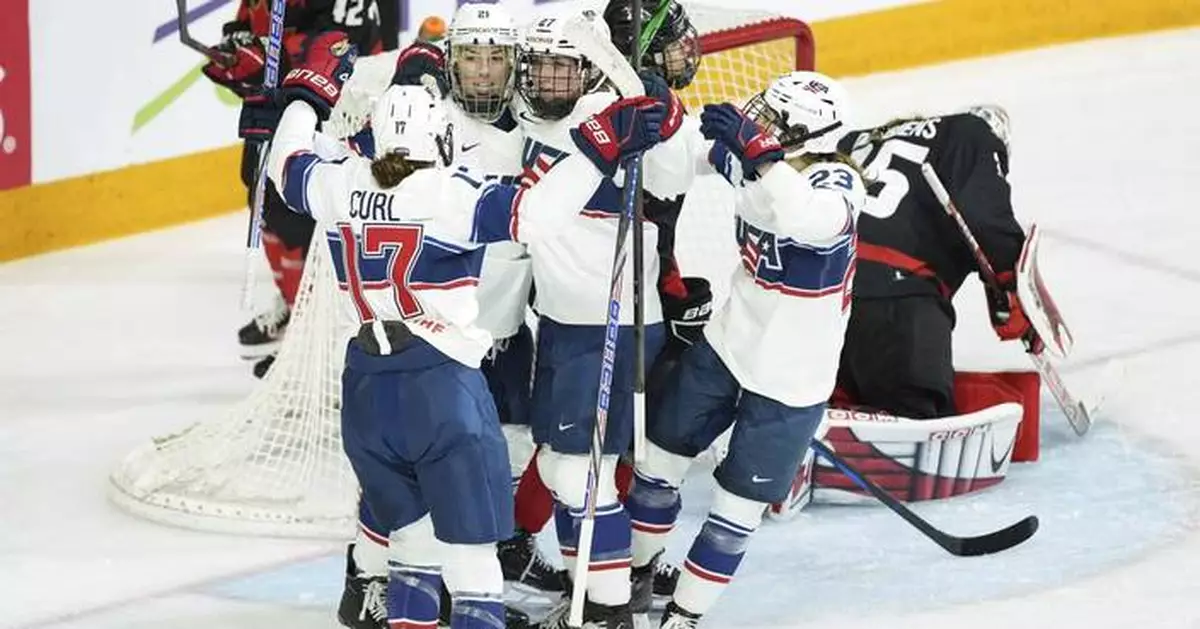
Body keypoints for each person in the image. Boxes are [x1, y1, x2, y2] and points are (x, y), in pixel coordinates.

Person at [264, 29, 667, 629]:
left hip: (365, 388)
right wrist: (600, 150)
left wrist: (309, 93)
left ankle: (372, 589)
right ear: (441, 135)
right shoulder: (451, 195)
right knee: (475, 568)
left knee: (414, 556)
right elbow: (537, 214)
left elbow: (285, 159)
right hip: (441, 386)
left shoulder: (337, 183)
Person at [623, 70, 866, 628]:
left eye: (775, 119)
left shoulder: (840, 182)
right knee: (656, 465)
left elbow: (807, 219)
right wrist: (662, 114)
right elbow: (691, 156)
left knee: (735, 512)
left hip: (790, 381)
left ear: (809, 134)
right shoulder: (756, 158)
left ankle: (682, 617)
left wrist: (761, 154)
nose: (760, 122)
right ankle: (632, 579)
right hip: (727, 347)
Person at [505, 7, 699, 628]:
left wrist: (660, 113)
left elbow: (673, 175)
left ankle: (605, 609)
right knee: (574, 467)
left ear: (589, 73)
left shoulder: (610, 116)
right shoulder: (532, 112)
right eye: (538, 68)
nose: (545, 81)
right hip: (564, 322)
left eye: (562, 69)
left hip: (607, 323)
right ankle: (594, 588)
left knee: (579, 472)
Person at [200, 0, 388, 377]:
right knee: (267, 210)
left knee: (313, 234)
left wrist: (270, 58)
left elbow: (338, 52)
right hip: (273, 116)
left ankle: (313, 342)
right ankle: (295, 307)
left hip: (330, 122)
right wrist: (237, 51)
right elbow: (249, 25)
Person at [835, 106, 1028, 419]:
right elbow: (984, 217)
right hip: (898, 306)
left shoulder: (853, 142)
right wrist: (1011, 284)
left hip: (819, 298)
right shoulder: (972, 132)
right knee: (916, 426)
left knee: (825, 414)